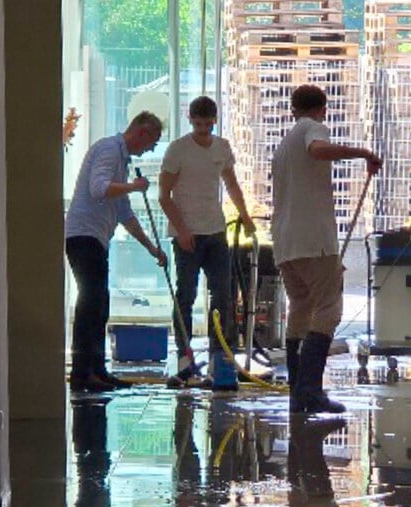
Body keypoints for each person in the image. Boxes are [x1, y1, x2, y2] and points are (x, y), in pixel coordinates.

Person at [271, 84, 383, 413]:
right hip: (314, 241)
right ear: (322, 109)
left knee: (300, 311)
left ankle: (297, 391)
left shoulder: (282, 147)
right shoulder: (312, 128)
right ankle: (309, 391)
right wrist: (363, 153)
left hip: (285, 243)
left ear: (293, 108)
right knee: (329, 310)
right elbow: (318, 149)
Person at [65, 111, 167, 393]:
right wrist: (134, 187)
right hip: (84, 235)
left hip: (94, 238)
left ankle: (95, 370)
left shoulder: (120, 160)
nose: (151, 149)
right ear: (142, 132)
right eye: (153, 142)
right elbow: (98, 189)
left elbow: (124, 212)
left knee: (99, 303)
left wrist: (151, 248)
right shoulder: (109, 150)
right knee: (91, 303)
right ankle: (83, 372)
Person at [159, 96, 255, 387]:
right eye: (198, 123)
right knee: (185, 295)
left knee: (223, 296)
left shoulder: (221, 148)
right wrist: (182, 230)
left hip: (215, 231)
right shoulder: (178, 150)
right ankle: (185, 360)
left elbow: (232, 183)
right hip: (187, 235)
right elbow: (164, 195)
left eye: (207, 124)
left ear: (214, 120)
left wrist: (245, 216)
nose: (203, 129)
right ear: (190, 119)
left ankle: (219, 360)